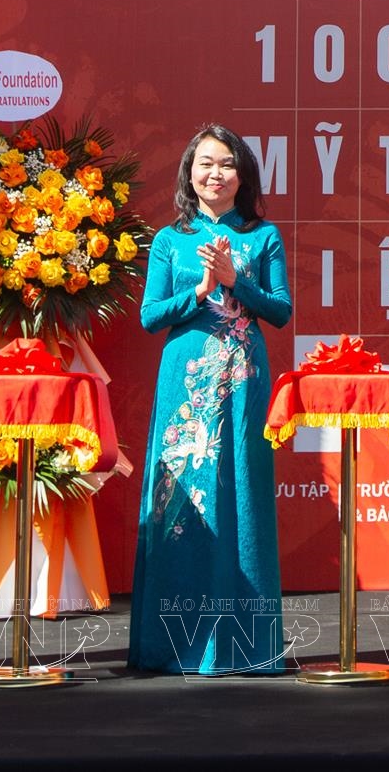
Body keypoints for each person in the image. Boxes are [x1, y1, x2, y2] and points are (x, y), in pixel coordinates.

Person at [129, 125, 291, 674]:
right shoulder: (169, 239)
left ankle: (247, 647)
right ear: (189, 172)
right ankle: (171, 646)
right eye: (205, 163)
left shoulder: (262, 235)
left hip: (242, 380)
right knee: (180, 501)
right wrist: (200, 289)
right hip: (185, 382)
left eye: (226, 164)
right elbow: (150, 317)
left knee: (240, 491)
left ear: (242, 176)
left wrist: (234, 280)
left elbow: (280, 311)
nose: (215, 174)